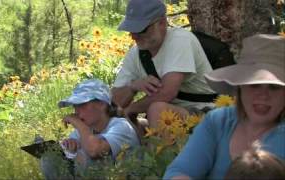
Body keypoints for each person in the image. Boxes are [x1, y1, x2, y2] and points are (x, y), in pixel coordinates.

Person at [163, 34, 285, 179]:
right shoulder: (219, 121)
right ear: (240, 87)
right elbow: (180, 171)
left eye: (274, 87)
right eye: (254, 85)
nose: (263, 95)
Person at [112, 0, 216, 128]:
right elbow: (114, 103)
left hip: (204, 112)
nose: (134, 37)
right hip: (172, 115)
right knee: (115, 122)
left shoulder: (180, 40)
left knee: (158, 110)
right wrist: (132, 87)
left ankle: (160, 147)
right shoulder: (136, 53)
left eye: (141, 30)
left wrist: (131, 109)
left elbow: (167, 93)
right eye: (131, 30)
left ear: (162, 23)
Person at [40, 79, 140, 179]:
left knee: (87, 155)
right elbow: (71, 160)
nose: (76, 112)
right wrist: (70, 151)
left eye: (81, 105)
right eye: (75, 107)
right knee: (49, 158)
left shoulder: (121, 126)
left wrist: (78, 123)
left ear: (102, 104)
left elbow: (94, 151)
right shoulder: (83, 131)